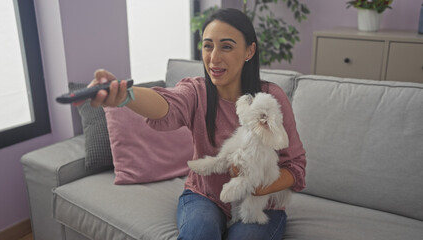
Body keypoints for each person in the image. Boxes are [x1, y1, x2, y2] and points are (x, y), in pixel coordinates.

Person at [88, 8, 306, 240]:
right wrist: (126, 94)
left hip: (260, 203)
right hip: (205, 195)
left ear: (249, 51)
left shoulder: (271, 99)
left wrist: (259, 187)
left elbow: (295, 166)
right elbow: (166, 103)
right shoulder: (196, 91)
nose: (213, 58)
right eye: (208, 45)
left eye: (227, 46)